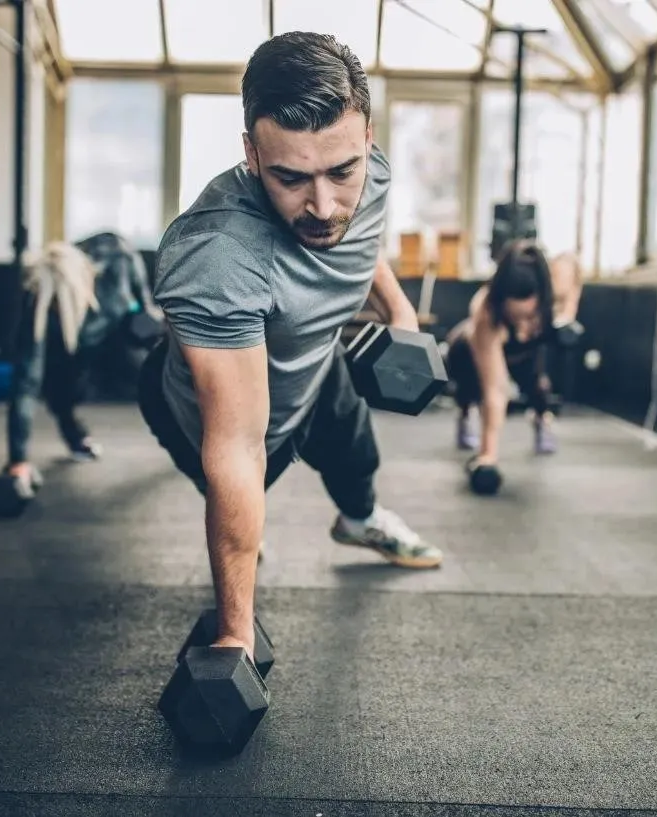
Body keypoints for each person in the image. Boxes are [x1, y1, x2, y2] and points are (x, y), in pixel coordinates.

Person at [137, 31, 445, 661]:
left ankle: (359, 520)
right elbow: (236, 445)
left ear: (367, 137)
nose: (324, 205)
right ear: (250, 153)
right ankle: (244, 558)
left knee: (358, 459)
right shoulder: (219, 256)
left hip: (315, 362)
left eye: (342, 171)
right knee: (243, 502)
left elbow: (359, 242)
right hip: (211, 407)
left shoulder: (366, 172)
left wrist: (402, 312)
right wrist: (235, 637)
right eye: (290, 178)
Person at [2, 231, 157, 484]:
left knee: (156, 372)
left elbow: (146, 309)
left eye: (58, 302)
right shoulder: (40, 302)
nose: (55, 307)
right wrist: (17, 461)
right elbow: (25, 382)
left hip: (116, 334)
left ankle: (192, 438)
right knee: (58, 382)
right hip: (74, 348)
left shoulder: (119, 260)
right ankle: (73, 433)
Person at [445, 240, 582, 463]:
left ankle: (542, 421)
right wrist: (488, 454)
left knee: (538, 385)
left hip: (525, 353)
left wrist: (568, 312)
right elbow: (495, 390)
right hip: (472, 348)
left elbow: (573, 269)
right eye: (515, 316)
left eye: (529, 316)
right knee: (469, 377)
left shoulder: (554, 292)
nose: (523, 323)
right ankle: (465, 413)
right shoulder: (485, 311)